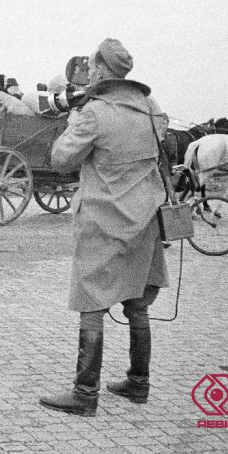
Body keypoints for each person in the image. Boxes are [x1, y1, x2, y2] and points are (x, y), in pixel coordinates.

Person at [39, 39, 169, 417]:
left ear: (100, 70)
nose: (89, 71)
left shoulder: (94, 113)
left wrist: (74, 120)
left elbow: (61, 159)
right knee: (137, 302)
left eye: (92, 66)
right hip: (144, 219)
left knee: (91, 303)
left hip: (102, 220)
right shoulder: (150, 109)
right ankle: (138, 384)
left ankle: (85, 394)